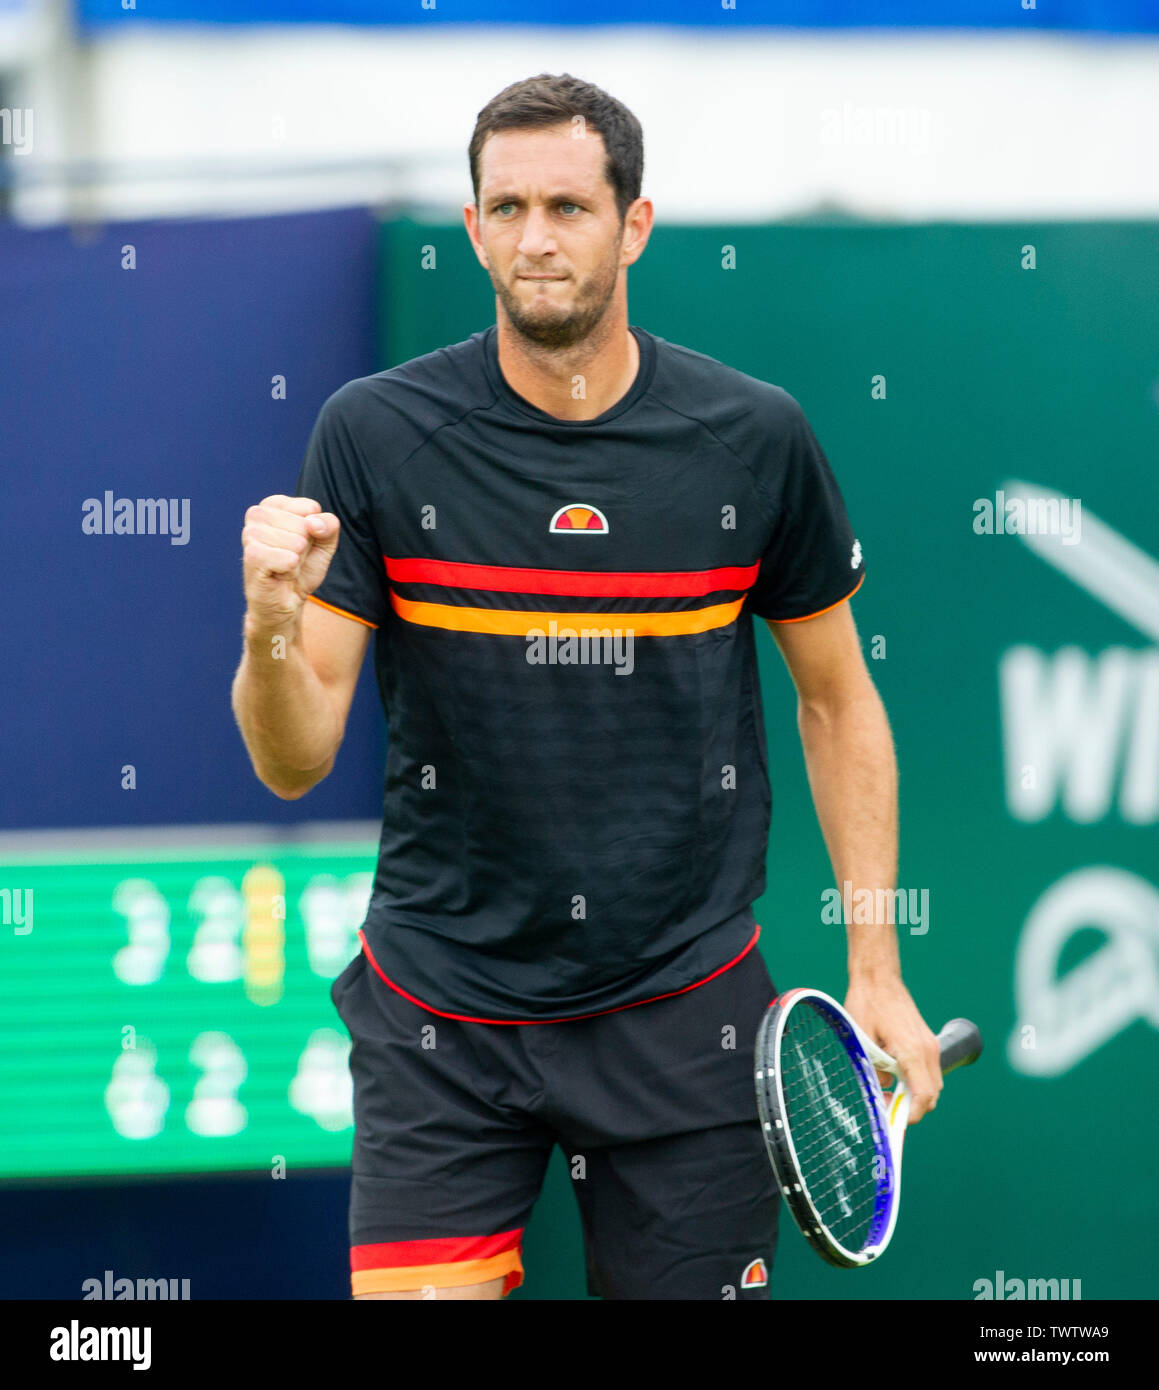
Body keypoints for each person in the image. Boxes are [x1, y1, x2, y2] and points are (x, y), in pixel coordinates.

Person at [231, 72, 942, 1301]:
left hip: (686, 1011)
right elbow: (292, 756)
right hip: (440, 1013)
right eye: (504, 208)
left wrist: (873, 964)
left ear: (636, 224)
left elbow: (837, 699)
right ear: (470, 229)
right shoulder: (373, 436)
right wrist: (269, 625)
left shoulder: (752, 438)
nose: (535, 239)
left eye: (567, 205)